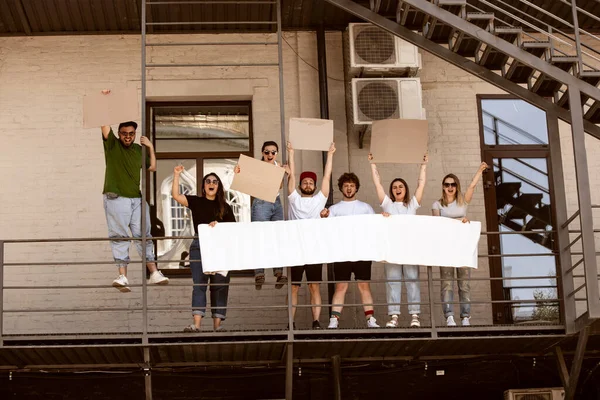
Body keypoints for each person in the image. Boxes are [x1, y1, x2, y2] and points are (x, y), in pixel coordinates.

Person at [100, 90, 168, 292]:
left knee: (143, 234)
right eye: (124, 133)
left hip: (136, 199)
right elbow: (104, 125)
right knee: (119, 235)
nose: (128, 137)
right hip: (116, 197)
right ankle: (122, 276)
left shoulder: (139, 151)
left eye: (131, 134)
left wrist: (151, 147)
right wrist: (106, 100)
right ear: (119, 134)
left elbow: (152, 167)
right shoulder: (112, 145)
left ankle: (154, 272)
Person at [172, 166, 236, 332]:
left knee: (219, 285)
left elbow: (233, 231)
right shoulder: (196, 202)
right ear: (203, 187)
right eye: (208, 181)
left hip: (220, 248)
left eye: (215, 181)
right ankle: (197, 325)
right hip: (199, 246)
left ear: (219, 186)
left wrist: (219, 226)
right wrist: (176, 175)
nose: (211, 183)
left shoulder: (225, 207)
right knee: (199, 284)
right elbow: (176, 196)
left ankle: (217, 326)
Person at [368, 152, 428, 328]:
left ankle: (414, 315)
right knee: (392, 282)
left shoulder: (412, 205)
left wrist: (423, 165)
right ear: (392, 191)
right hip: (392, 250)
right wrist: (373, 164)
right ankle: (394, 316)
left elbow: (421, 183)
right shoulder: (387, 205)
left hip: (409, 250)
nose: (397, 188)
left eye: (400, 186)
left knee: (412, 280)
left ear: (405, 189)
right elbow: (377, 184)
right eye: (394, 187)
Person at [284, 141, 336, 330]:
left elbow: (327, 176)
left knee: (314, 286)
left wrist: (330, 154)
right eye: (305, 182)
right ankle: (291, 323)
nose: (308, 184)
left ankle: (316, 322)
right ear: (300, 185)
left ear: (314, 186)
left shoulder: (320, 199)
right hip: (296, 249)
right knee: (294, 287)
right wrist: (291, 152)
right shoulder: (294, 198)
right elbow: (292, 175)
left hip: (314, 250)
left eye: (311, 182)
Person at [320, 173, 380, 329]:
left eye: (351, 185)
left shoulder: (366, 208)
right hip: (342, 253)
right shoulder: (334, 209)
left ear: (356, 188)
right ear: (341, 188)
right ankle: (334, 320)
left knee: (364, 286)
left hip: (362, 252)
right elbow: (326, 230)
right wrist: (323, 217)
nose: (348, 188)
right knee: (340, 287)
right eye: (346, 185)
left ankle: (370, 319)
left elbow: (375, 227)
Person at [432, 162, 488, 327]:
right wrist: (459, 221)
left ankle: (465, 316)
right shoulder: (437, 205)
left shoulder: (463, 201)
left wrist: (479, 170)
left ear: (456, 186)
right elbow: (438, 223)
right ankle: (449, 316)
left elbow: (472, 186)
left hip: (463, 248)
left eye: (453, 184)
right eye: (447, 184)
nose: (450, 187)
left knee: (464, 284)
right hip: (446, 249)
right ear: (443, 187)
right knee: (446, 284)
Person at [235, 141, 288, 290]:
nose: (270, 155)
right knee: (259, 237)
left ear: (276, 153)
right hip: (261, 202)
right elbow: (245, 181)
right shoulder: (256, 167)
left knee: (277, 236)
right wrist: (238, 172)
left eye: (273, 152)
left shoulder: (279, 167)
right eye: (267, 152)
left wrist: (286, 172)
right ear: (262, 153)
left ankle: (278, 272)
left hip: (276, 202)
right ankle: (259, 273)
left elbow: (280, 187)